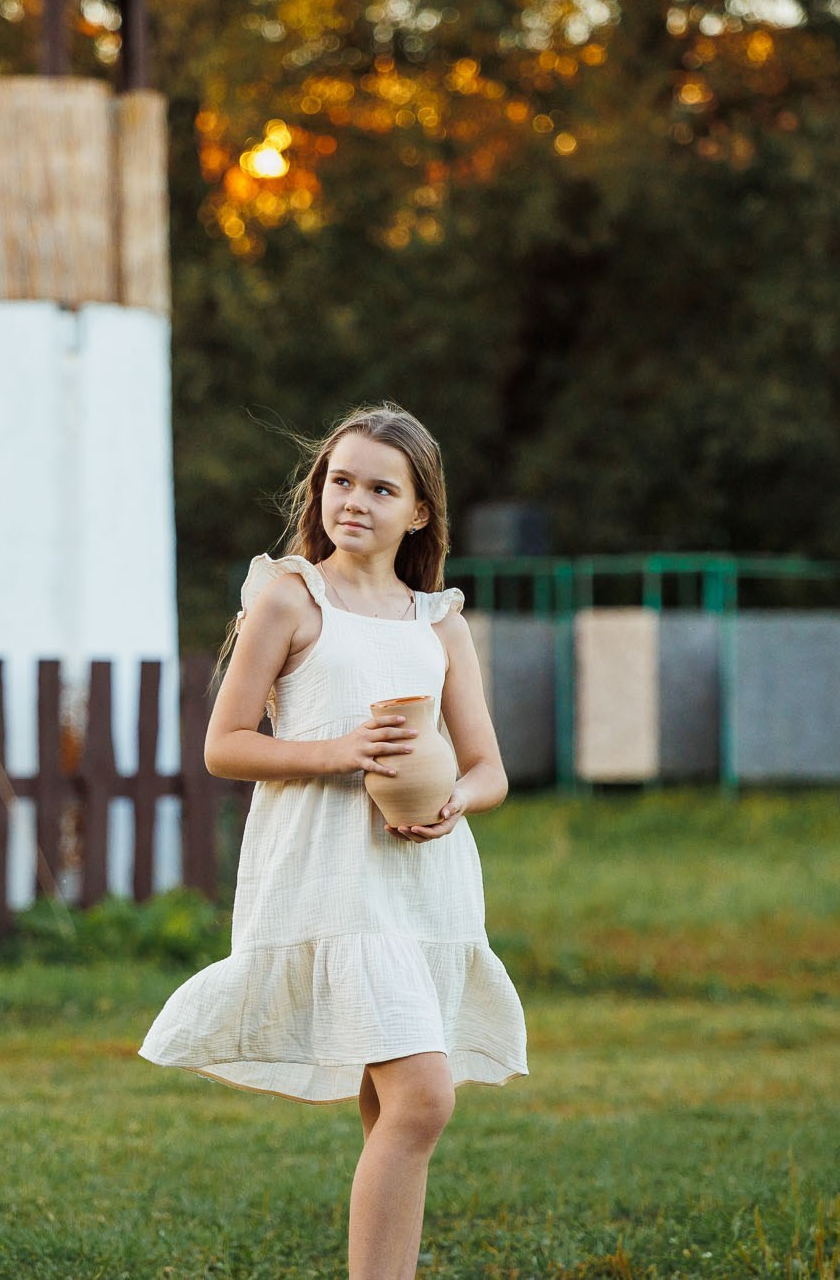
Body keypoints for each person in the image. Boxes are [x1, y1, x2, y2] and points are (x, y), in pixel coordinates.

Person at [139, 402, 529, 1280]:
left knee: (393, 1103)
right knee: (423, 1100)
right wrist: (341, 753)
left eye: (380, 488)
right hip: (330, 877)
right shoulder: (289, 595)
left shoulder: (438, 622)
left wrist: (454, 804)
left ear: (419, 512)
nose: (353, 501)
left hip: (424, 882)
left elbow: (488, 767)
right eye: (340, 481)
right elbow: (225, 743)